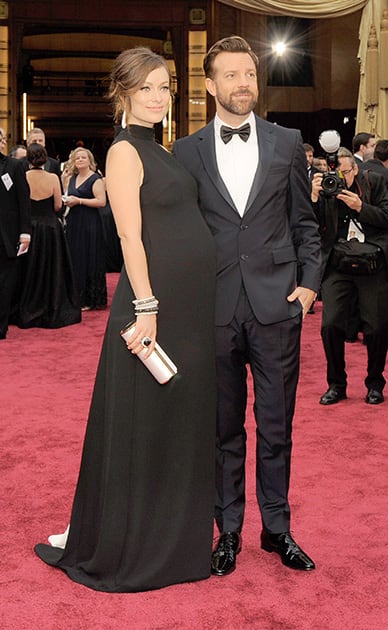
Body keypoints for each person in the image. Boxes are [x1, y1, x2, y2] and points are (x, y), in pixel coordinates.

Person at [34, 47, 217, 592]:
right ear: (123, 93)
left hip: (190, 303)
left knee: (179, 419)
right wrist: (147, 306)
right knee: (146, 420)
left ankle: (175, 539)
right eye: (147, 89)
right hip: (154, 306)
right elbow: (130, 235)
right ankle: (135, 542)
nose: (159, 98)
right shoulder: (122, 152)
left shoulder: (164, 151)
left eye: (165, 87)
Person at [174, 36, 321, 575]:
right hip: (212, 309)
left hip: (277, 306)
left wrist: (308, 286)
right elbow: (181, 235)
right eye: (230, 76)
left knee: (276, 425)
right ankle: (227, 531)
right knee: (223, 428)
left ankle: (276, 530)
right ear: (209, 86)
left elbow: (306, 224)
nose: (242, 85)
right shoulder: (186, 152)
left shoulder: (287, 143)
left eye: (249, 75)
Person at [311, 149, 388, 406]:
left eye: (345, 172)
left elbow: (386, 217)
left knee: (376, 327)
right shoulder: (328, 189)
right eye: (336, 173)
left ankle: (375, 383)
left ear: (355, 169)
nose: (340, 178)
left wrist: (361, 207)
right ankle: (336, 384)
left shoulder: (375, 182)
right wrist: (313, 197)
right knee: (330, 325)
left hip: (372, 263)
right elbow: (309, 224)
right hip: (339, 263)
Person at [16, 143, 81, 328]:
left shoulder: (22, 177)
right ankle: (50, 305)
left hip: (29, 228)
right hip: (50, 228)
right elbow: (57, 206)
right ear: (45, 157)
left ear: (28, 159)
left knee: (29, 269)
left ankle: (28, 305)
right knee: (52, 269)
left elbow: (20, 204)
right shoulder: (53, 178)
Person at [64, 146, 107, 311]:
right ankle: (77, 297)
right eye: (77, 158)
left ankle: (90, 298)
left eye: (83, 157)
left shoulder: (95, 178)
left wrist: (79, 201)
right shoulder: (72, 178)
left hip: (90, 223)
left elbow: (101, 201)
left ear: (90, 161)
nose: (80, 160)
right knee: (76, 257)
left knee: (89, 257)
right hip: (74, 221)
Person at [0, 127, 31, 340]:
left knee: (5, 283)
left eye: (1, 137)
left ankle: (1, 326)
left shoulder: (14, 165)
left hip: (7, 236)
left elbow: (23, 200)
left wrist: (25, 232)